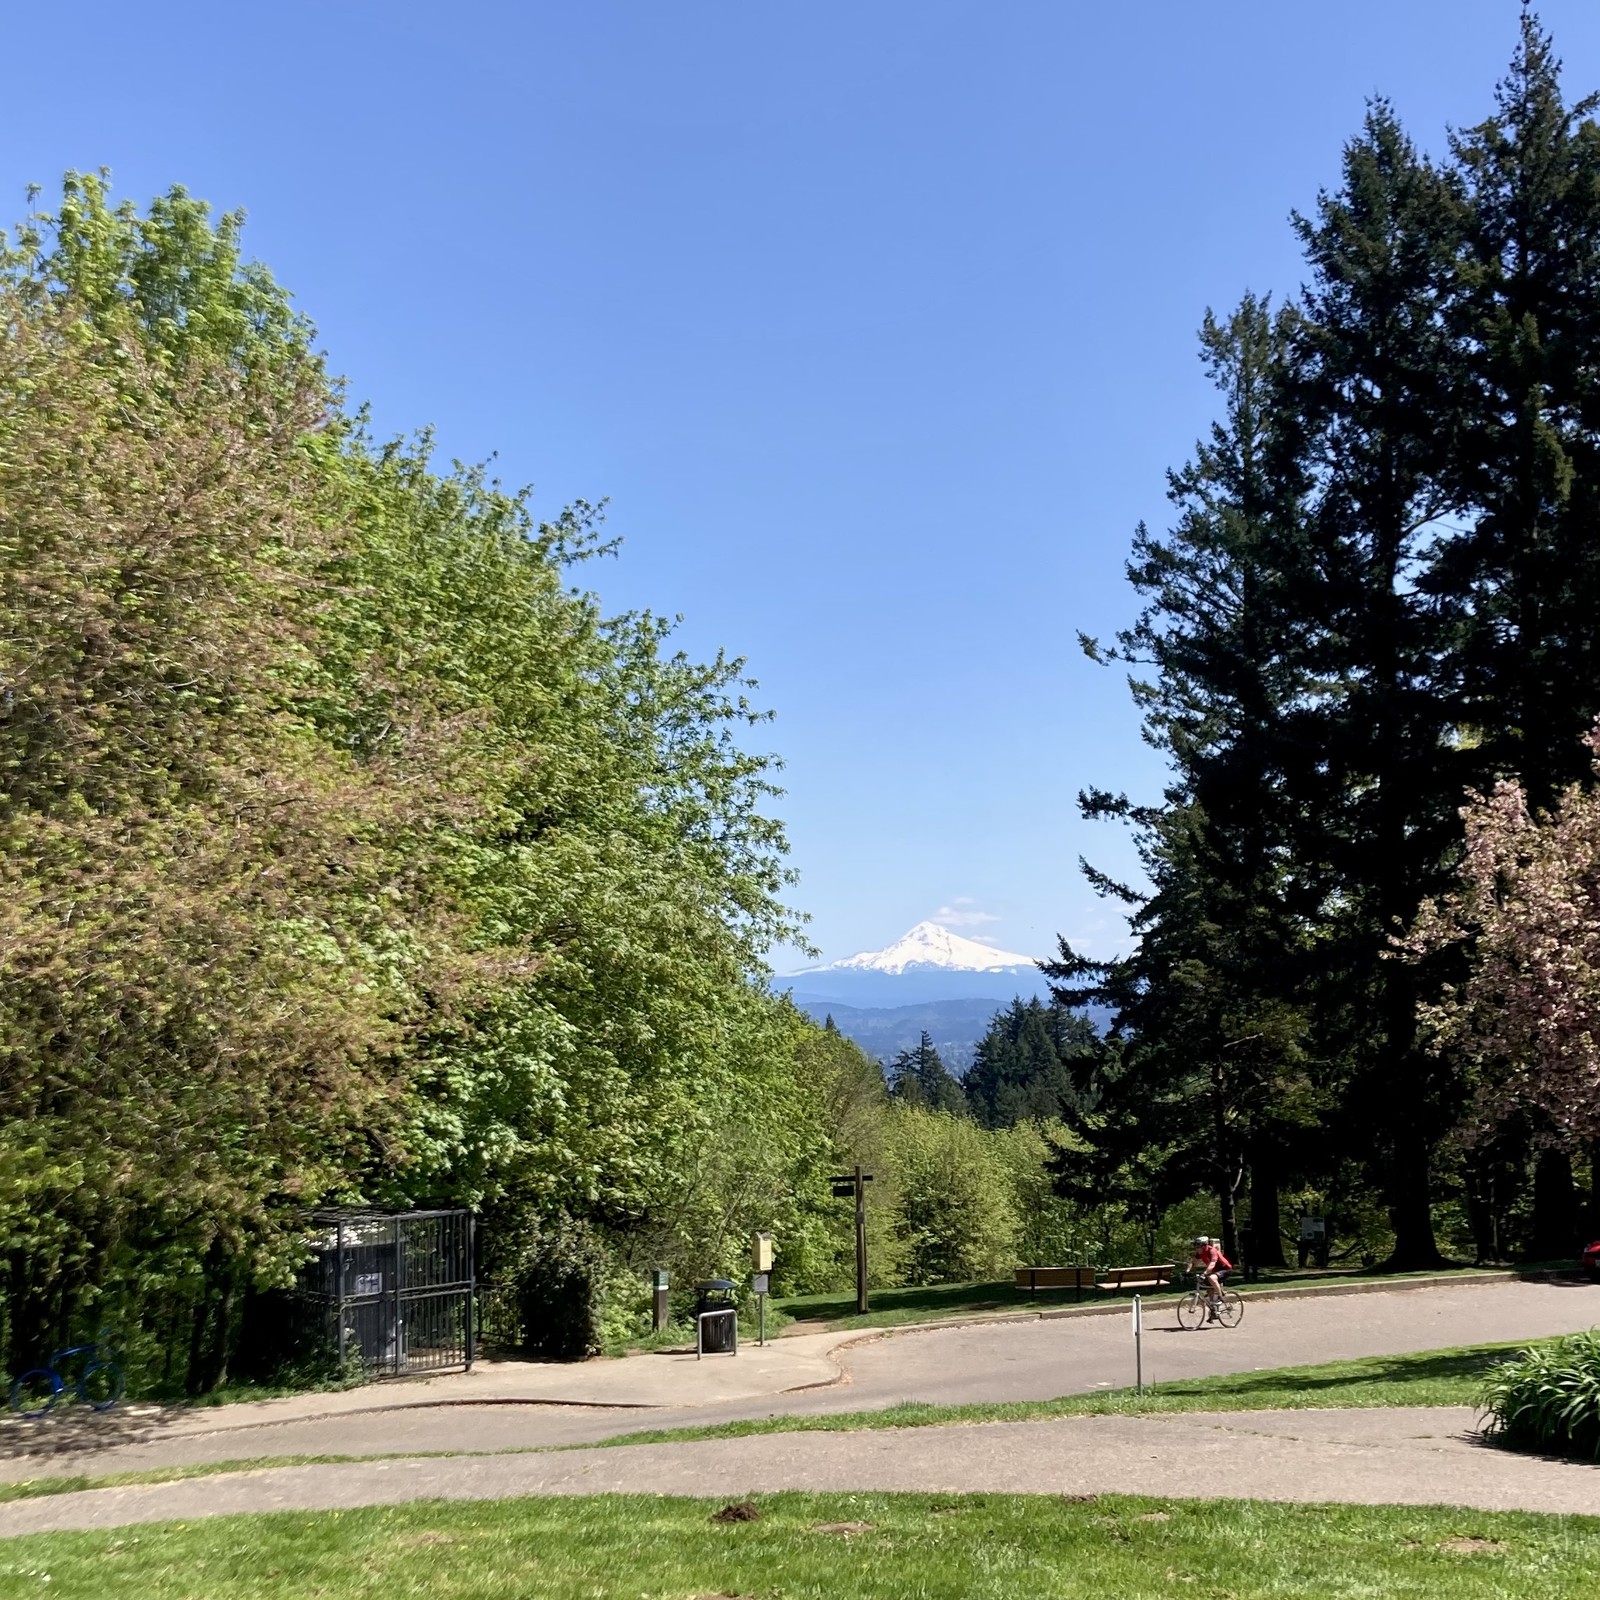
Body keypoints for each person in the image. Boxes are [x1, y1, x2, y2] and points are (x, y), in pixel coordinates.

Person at [1189, 1236, 1232, 1321]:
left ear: (1204, 1246)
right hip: (1214, 1271)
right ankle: (1213, 1312)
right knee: (1209, 1291)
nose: (1197, 1248)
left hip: (1224, 1269)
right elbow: (1193, 1262)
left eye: (1198, 1246)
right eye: (1196, 1246)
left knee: (1212, 1278)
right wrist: (1187, 1271)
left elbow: (1212, 1263)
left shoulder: (1212, 1251)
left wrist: (1204, 1273)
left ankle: (1220, 1297)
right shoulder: (1200, 1253)